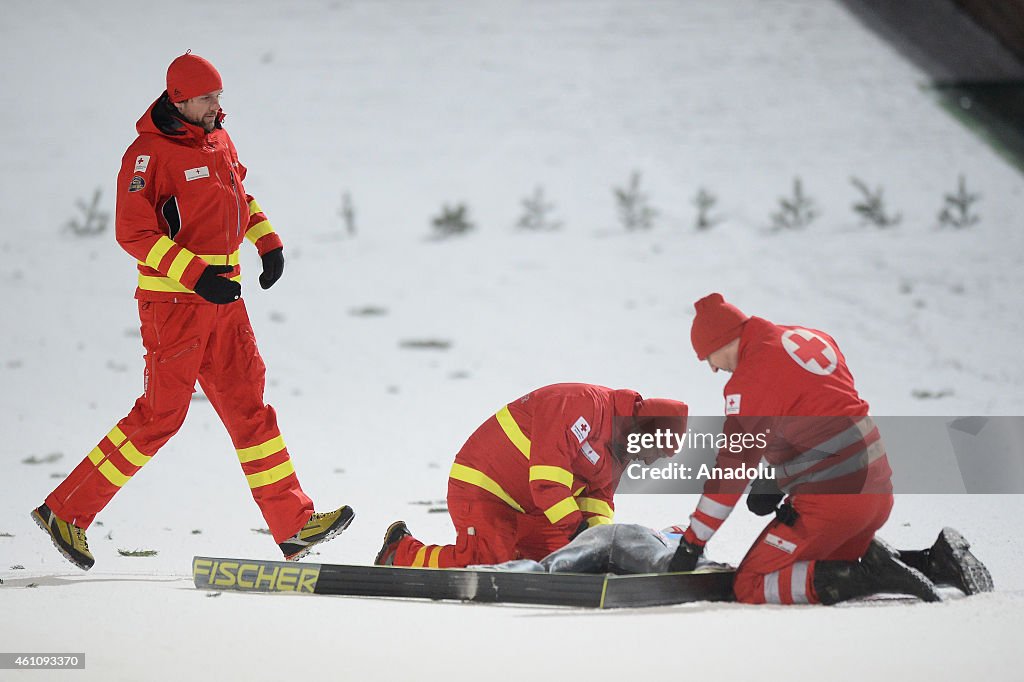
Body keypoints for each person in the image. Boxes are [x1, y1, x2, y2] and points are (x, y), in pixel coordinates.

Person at [31, 52, 353, 570]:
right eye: (206, 98)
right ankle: (65, 512)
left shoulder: (219, 139)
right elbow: (133, 232)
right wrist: (195, 275)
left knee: (251, 408)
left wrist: (267, 242)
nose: (216, 106)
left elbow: (238, 195)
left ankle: (293, 524)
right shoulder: (146, 155)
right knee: (160, 416)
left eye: (219, 96)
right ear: (178, 100)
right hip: (176, 305)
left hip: (225, 303)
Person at [666, 293, 992, 604]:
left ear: (722, 340)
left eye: (707, 356)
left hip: (834, 505)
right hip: (877, 493)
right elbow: (822, 416)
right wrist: (779, 479)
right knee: (825, 566)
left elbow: (731, 473)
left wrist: (693, 544)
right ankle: (936, 563)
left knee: (750, 584)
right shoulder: (811, 338)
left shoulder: (749, 381)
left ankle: (869, 574)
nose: (711, 368)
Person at [374, 383, 688, 568]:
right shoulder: (580, 406)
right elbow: (547, 481)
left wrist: (600, 546)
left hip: (537, 509)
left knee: (564, 565)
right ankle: (399, 552)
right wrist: (581, 534)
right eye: (655, 452)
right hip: (485, 488)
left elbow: (598, 499)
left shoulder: (622, 448)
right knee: (488, 560)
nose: (649, 463)